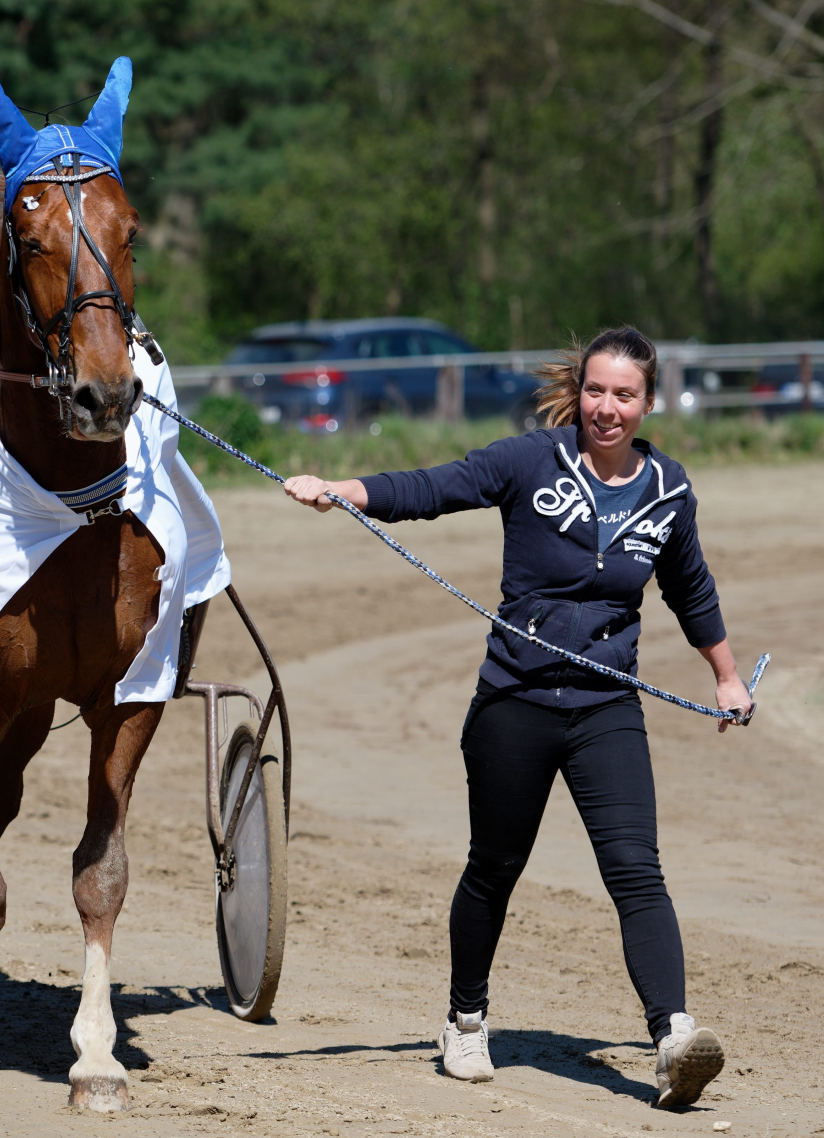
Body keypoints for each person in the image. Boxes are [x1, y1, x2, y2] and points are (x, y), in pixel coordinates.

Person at [282, 328, 749, 1109]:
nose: (606, 408)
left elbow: (690, 586)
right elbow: (438, 487)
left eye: (623, 395)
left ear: (647, 402)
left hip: (605, 708)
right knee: (495, 867)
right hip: (515, 703)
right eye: (595, 391)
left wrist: (727, 678)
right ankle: (465, 1020)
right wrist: (344, 490)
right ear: (580, 393)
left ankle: (673, 1038)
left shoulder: (668, 488)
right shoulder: (531, 461)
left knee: (636, 870)